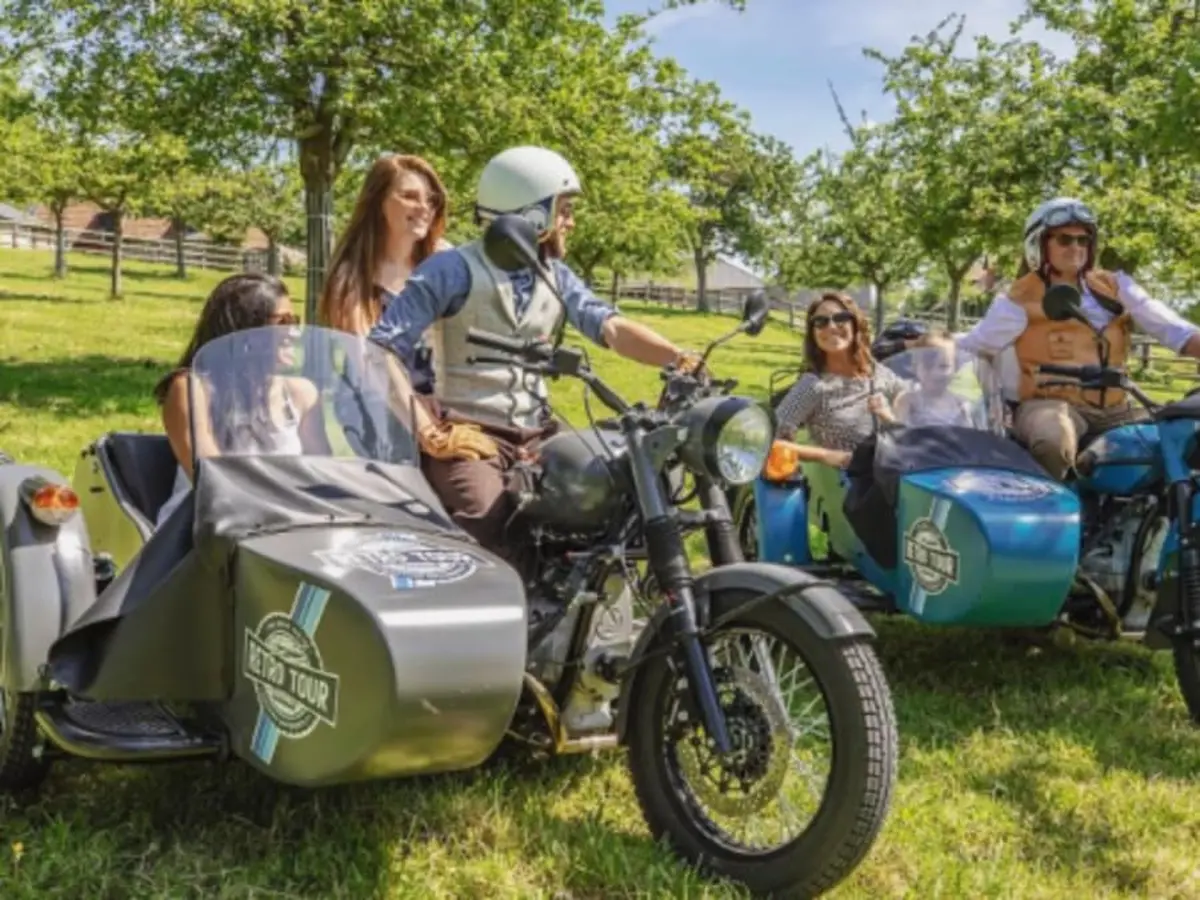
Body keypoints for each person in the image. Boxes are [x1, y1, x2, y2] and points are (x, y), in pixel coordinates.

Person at [366, 145, 704, 557]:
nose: (571, 222)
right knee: (485, 518)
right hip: (470, 429)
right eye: (563, 210)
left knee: (606, 492)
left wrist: (677, 357)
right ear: (532, 214)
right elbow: (381, 349)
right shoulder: (450, 268)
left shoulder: (556, 275)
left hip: (538, 428)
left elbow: (610, 326)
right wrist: (430, 433)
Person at [953, 197, 1200, 479]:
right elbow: (974, 346)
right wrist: (920, 361)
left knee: (1180, 435)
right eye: (1065, 240)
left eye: (1083, 240)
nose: (1076, 248)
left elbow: (1174, 329)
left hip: (1118, 407)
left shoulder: (1115, 285)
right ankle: (1058, 517)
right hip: (1050, 404)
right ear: (1039, 244)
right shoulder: (1018, 299)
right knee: (1053, 441)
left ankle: (1159, 518)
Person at [153, 274, 329, 526]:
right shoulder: (191, 389)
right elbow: (212, 481)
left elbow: (321, 478)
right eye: (283, 321)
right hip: (205, 532)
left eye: (295, 321)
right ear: (246, 330)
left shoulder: (302, 394)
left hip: (285, 526)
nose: (294, 332)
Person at [318, 153, 453, 395]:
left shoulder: (444, 259)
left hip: (443, 408)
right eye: (409, 196)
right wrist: (424, 423)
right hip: (377, 415)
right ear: (378, 202)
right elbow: (368, 365)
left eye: (431, 200)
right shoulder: (352, 277)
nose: (425, 208)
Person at [772, 292, 906, 470]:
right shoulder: (813, 385)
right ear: (813, 333)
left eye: (841, 318)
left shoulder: (878, 373)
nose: (832, 327)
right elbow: (770, 441)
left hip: (898, 472)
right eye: (820, 322)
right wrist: (828, 456)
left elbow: (914, 402)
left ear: (855, 324)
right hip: (850, 487)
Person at [879, 331, 980, 429]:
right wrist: (888, 417)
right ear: (915, 366)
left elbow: (970, 438)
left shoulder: (961, 404)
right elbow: (898, 435)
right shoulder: (909, 400)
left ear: (955, 367)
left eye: (944, 366)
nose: (935, 373)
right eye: (928, 366)